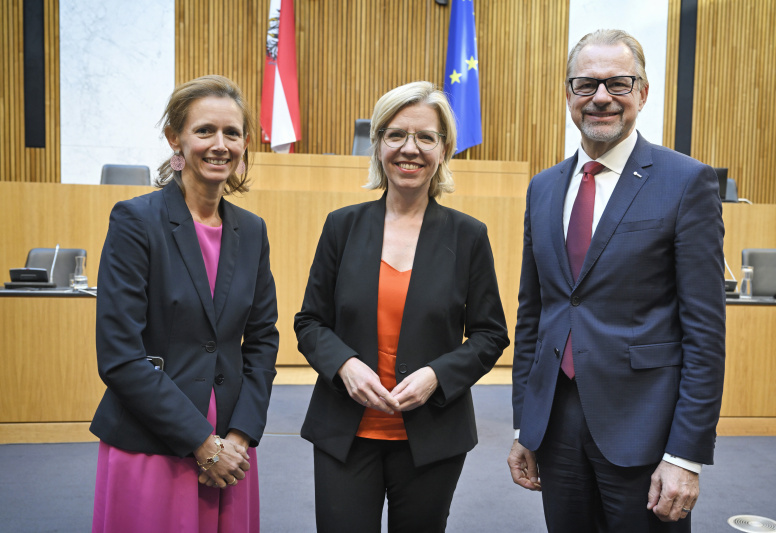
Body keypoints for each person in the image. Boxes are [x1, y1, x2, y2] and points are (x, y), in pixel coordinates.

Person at [507, 29, 725, 532]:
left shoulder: (686, 182)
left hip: (644, 434)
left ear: (643, 93)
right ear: (568, 94)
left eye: (618, 83)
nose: (601, 97)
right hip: (555, 428)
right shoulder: (543, 189)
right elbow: (533, 314)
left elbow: (705, 335)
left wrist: (685, 455)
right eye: (585, 84)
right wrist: (526, 424)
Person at [295, 81, 509, 533]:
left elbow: (490, 335)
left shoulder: (468, 236)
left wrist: (437, 376)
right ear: (378, 145)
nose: (409, 149)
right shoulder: (342, 227)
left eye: (425, 137)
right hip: (345, 434)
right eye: (395, 135)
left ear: (444, 148)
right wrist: (344, 366)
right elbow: (311, 322)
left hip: (431, 436)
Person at [90, 75, 279, 532]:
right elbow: (120, 357)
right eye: (204, 131)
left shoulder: (251, 231)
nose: (220, 145)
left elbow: (262, 341)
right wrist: (203, 444)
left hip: (231, 448)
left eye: (231, 133)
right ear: (175, 138)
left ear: (245, 143)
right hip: (156, 442)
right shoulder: (136, 221)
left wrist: (237, 437)